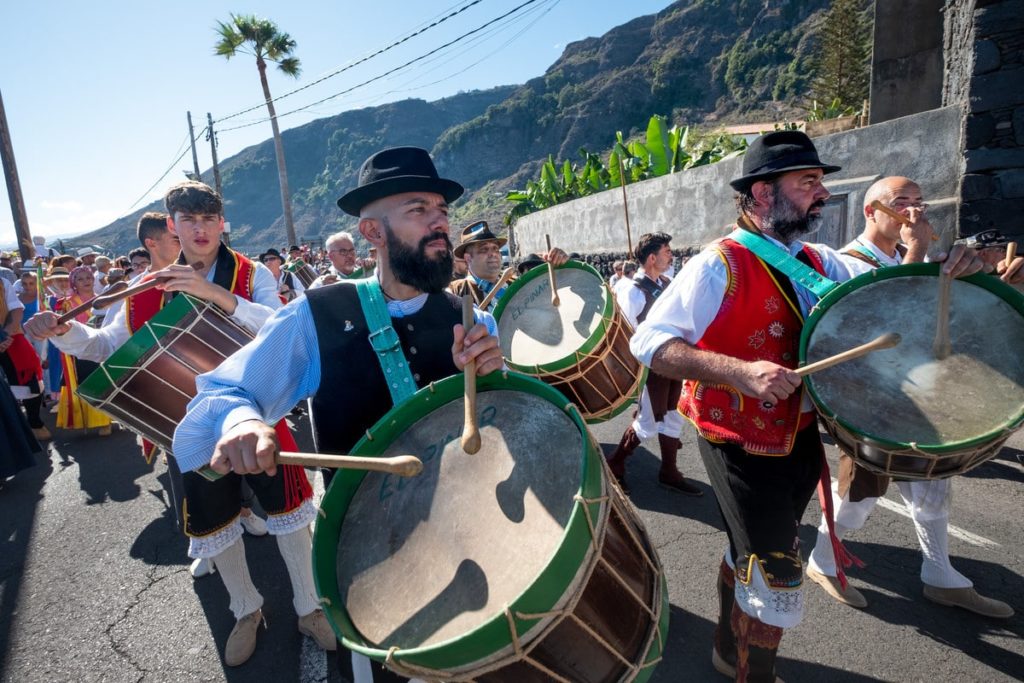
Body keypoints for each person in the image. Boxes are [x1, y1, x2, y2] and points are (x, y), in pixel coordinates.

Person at [629, 131, 988, 682]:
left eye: (820, 182)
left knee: (748, 548)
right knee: (776, 571)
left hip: (797, 435)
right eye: (808, 182)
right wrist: (739, 371)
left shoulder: (818, 260)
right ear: (763, 193)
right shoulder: (718, 264)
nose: (822, 193)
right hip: (735, 439)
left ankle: (726, 647)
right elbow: (649, 342)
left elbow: (886, 297)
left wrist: (952, 263)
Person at [172, 146, 504, 683]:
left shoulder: (473, 319)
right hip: (370, 555)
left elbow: (503, 437)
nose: (440, 222)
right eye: (418, 209)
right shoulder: (316, 316)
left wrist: (496, 380)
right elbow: (221, 393)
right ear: (372, 232)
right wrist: (243, 422)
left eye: (441, 210)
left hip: (471, 538)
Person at [26, 180, 332, 666]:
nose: (200, 229)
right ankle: (246, 610)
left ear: (222, 222)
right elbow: (107, 347)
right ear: (173, 226)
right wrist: (65, 332)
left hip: (260, 417)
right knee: (217, 523)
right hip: (189, 429)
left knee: (289, 512)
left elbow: (281, 326)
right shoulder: (143, 289)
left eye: (209, 219)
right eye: (189, 220)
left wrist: (215, 294)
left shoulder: (250, 274)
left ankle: (309, 607)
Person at [804, 176, 1013, 619]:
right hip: (868, 404)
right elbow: (884, 323)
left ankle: (940, 575)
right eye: (902, 202)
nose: (915, 212)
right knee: (859, 498)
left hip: (921, 399)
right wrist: (916, 251)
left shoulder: (913, 256)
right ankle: (821, 561)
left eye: (920, 202)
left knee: (934, 489)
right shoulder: (843, 263)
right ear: (872, 211)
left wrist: (979, 274)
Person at [607, 232, 702, 496]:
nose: (671, 255)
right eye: (666, 251)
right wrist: (637, 372)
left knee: (673, 416)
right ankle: (615, 464)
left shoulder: (667, 282)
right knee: (647, 422)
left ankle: (669, 472)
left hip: (673, 362)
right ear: (652, 258)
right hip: (649, 367)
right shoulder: (633, 291)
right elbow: (624, 334)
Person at [449, 220, 567, 311]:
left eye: (495, 248)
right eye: (484, 249)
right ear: (468, 258)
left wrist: (561, 265)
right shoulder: (455, 292)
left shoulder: (518, 284)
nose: (493, 254)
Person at [54, 265, 113, 436]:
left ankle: (106, 421)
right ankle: (92, 419)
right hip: (82, 349)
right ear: (74, 283)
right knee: (88, 383)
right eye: (80, 279)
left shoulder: (104, 298)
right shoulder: (67, 303)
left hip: (104, 345)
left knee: (106, 383)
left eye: (88, 277)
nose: (85, 281)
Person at [0, 270, 47, 441]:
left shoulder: (3, 283)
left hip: (9, 336)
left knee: (30, 374)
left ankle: (34, 423)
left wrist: (5, 335)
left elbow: (16, 309)